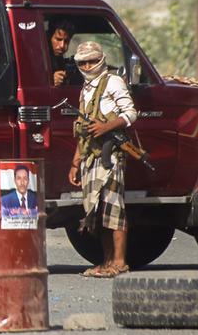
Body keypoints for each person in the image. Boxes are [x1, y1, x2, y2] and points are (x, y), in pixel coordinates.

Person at [66, 41, 138, 278]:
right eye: (82, 62)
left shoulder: (113, 81)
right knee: (96, 212)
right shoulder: (85, 88)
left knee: (114, 208)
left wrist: (106, 126)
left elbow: (130, 113)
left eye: (92, 61)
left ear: (102, 60)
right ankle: (106, 262)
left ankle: (119, 262)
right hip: (90, 156)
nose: (87, 66)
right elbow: (83, 130)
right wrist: (75, 162)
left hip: (110, 156)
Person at [48, 22, 76, 87]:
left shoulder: (59, 60)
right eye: (58, 39)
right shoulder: (39, 58)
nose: (62, 45)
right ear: (49, 37)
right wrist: (50, 81)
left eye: (66, 41)